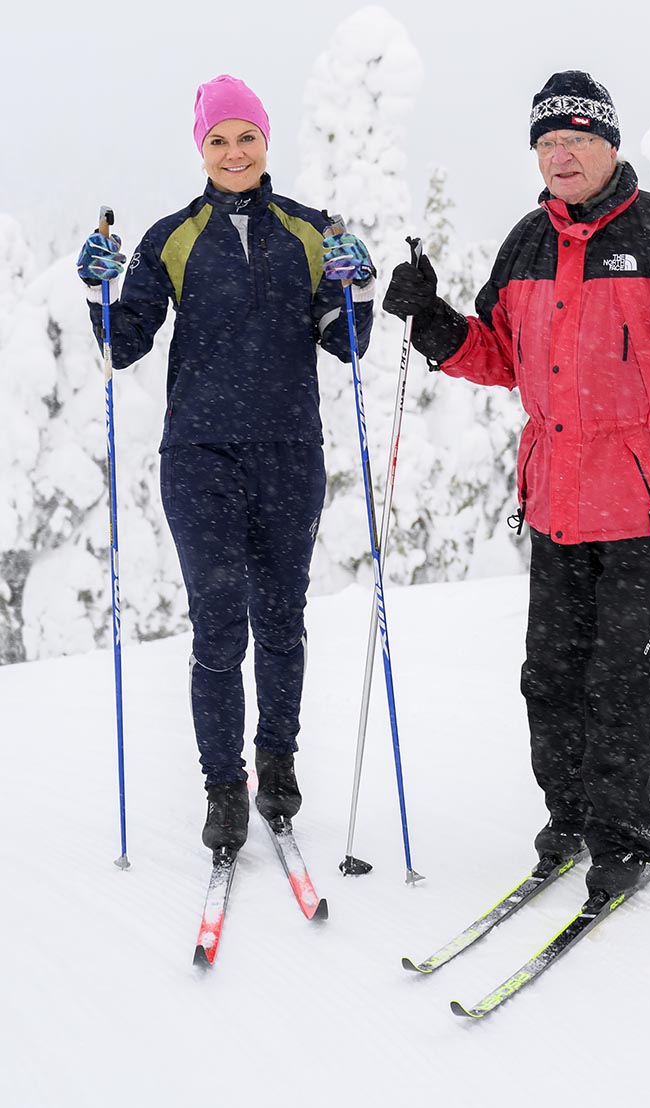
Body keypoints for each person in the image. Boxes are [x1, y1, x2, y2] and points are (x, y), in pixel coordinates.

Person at [382, 70, 650, 907]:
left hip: (643, 504)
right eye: (547, 143)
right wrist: (432, 322)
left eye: (576, 139)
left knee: (622, 677)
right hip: (556, 502)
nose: (560, 155)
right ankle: (569, 818)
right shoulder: (526, 242)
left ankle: (625, 837)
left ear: (610, 145)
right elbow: (496, 354)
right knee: (550, 675)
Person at [77, 74, 375, 857]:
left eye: (246, 137)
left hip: (288, 451)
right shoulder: (172, 236)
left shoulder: (310, 231)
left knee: (280, 621)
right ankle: (224, 788)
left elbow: (346, 342)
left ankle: (277, 761)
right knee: (217, 627)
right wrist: (98, 289)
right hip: (199, 454)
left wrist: (358, 289)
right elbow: (122, 341)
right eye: (219, 140)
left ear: (266, 142)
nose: (234, 152)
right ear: (200, 149)